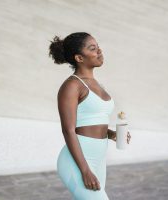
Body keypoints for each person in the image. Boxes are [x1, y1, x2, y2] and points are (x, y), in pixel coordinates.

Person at [48, 32, 131, 200]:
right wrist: (85, 171)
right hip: (77, 162)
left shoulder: (97, 84)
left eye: (98, 46)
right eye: (93, 48)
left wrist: (111, 134)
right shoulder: (72, 85)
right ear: (79, 57)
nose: (99, 51)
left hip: (98, 158)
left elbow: (91, 122)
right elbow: (68, 130)